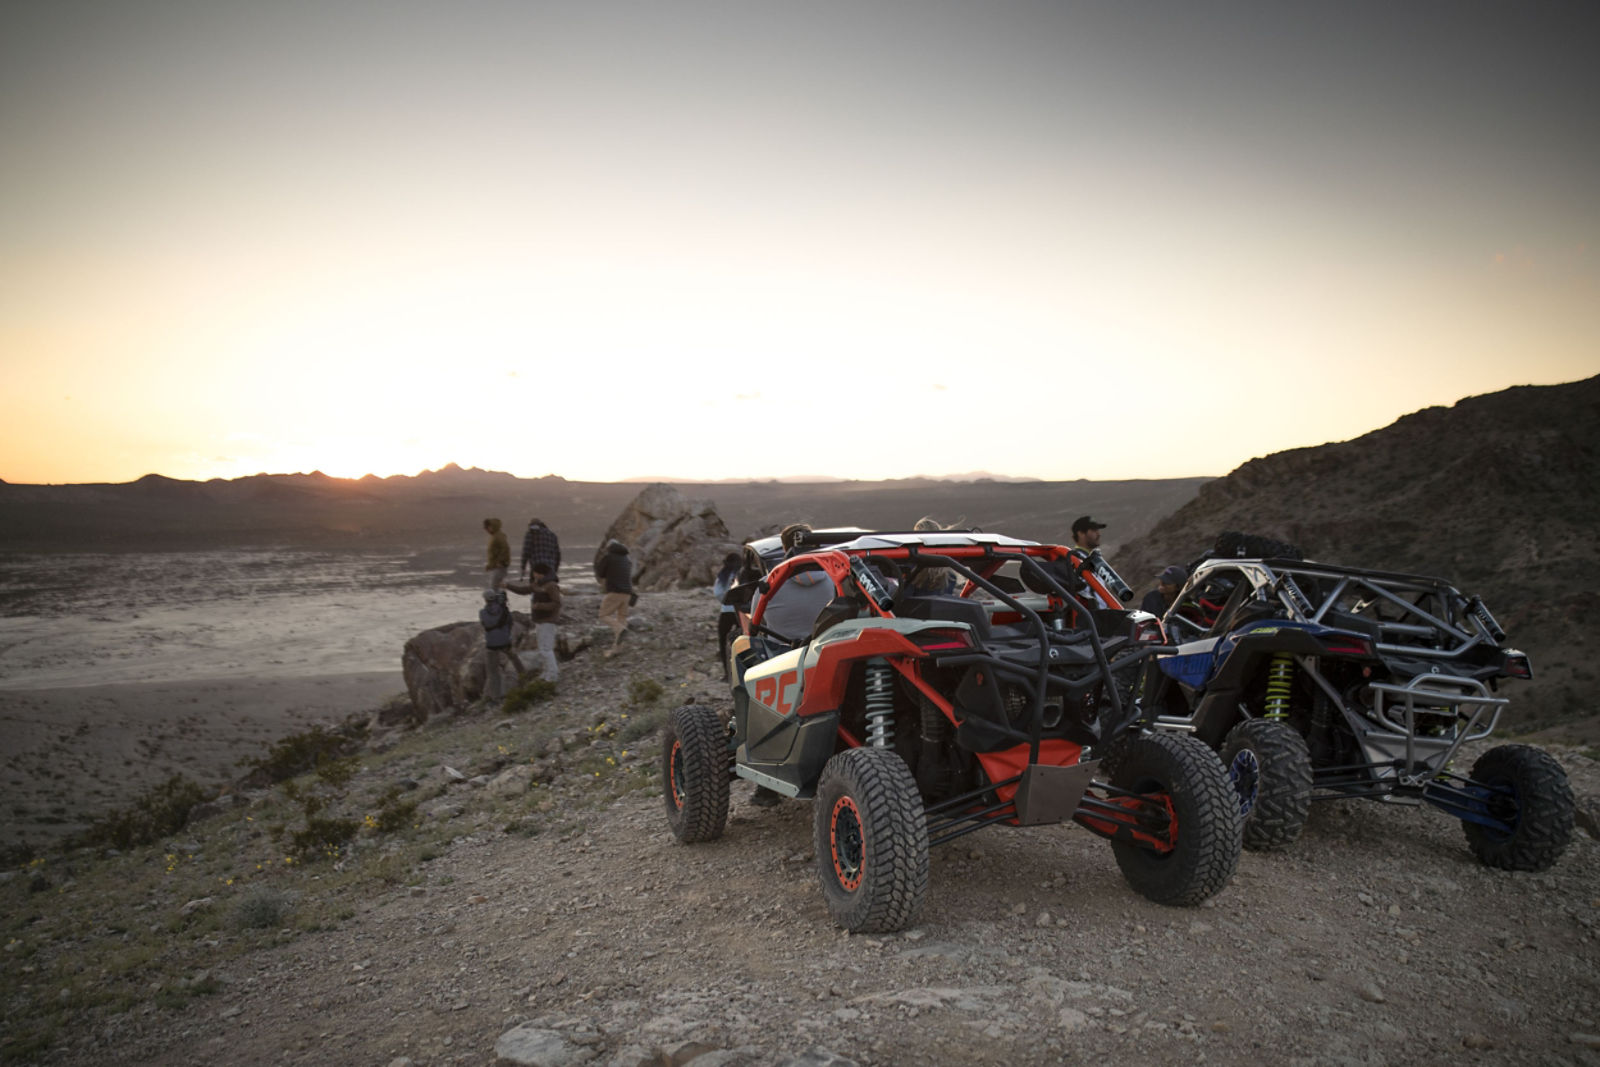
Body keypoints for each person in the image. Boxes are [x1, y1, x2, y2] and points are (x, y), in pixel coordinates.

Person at [478, 588, 527, 702]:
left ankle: (496, 697)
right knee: (515, 659)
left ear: (485, 600)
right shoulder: (504, 610)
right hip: (505, 641)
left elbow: (485, 625)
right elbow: (510, 623)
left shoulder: (483, 613)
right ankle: (525, 678)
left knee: (493, 671)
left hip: (491, 644)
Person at [594, 539, 633, 657]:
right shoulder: (627, 558)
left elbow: (600, 573)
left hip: (615, 591)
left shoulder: (609, 557)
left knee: (603, 615)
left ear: (609, 547)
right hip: (627, 592)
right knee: (622, 617)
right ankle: (618, 648)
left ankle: (620, 629)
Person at [527, 561, 563, 682]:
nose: (533, 574)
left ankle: (553, 675)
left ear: (540, 573)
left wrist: (540, 606)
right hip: (539, 620)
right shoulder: (538, 584)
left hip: (548, 620)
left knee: (546, 649)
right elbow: (524, 589)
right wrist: (508, 586)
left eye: (534, 572)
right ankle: (547, 671)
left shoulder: (551, 585)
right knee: (542, 648)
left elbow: (557, 603)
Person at [713, 551, 741, 682]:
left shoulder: (723, 575)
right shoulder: (742, 574)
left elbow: (717, 591)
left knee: (723, 641)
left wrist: (726, 601)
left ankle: (727, 673)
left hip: (726, 611)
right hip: (740, 611)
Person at [519, 517, 561, 582]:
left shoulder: (530, 534)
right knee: (549, 587)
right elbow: (557, 554)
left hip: (537, 567)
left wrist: (523, 567)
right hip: (550, 567)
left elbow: (526, 552)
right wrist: (555, 569)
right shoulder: (552, 535)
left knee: (535, 588)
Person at [483, 517, 511, 590]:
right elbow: (494, 553)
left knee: (495, 588)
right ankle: (498, 600)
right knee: (496, 587)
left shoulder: (498, 536)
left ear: (492, 526)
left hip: (499, 567)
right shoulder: (495, 536)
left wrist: (500, 561)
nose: (486, 530)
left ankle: (497, 601)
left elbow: (505, 548)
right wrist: (490, 565)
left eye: (487, 527)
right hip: (495, 566)